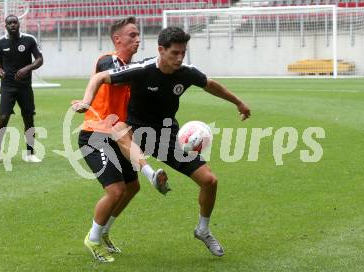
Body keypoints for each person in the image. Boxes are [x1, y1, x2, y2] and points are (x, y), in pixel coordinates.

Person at [72, 26, 251, 257]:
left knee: (210, 180)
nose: (179, 58)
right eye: (174, 53)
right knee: (119, 134)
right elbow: (99, 76)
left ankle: (203, 230)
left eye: (182, 53)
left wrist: (238, 103)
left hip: (166, 136)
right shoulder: (142, 69)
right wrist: (87, 101)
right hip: (135, 132)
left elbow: (210, 84)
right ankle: (149, 176)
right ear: (161, 50)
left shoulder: (186, 73)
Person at [71, 17, 170, 263]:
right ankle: (92, 238)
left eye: (138, 35)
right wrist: (86, 101)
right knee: (115, 191)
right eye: (132, 35)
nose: (138, 39)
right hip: (95, 135)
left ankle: (103, 231)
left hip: (119, 135)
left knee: (132, 187)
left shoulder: (132, 68)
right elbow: (107, 77)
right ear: (118, 40)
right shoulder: (109, 60)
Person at [0, 15, 43, 163]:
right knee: (3, 117)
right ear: (5, 26)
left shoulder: (29, 40)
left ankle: (30, 154)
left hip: (25, 87)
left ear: (19, 24)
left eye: (15, 22)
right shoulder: (0, 43)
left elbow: (40, 59)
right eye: (10, 23)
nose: (13, 25)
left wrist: (28, 68)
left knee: (28, 118)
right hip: (7, 86)